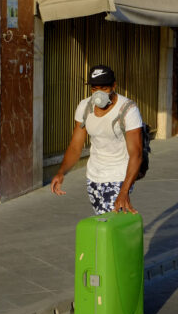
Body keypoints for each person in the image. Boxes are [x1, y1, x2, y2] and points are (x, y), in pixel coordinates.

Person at [50, 65, 143, 214]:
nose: (98, 94)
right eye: (94, 89)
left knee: (108, 223)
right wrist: (61, 173)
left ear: (114, 86)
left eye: (104, 88)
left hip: (118, 175)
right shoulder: (84, 107)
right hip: (94, 175)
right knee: (104, 221)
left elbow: (136, 154)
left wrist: (124, 190)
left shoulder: (128, 110)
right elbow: (75, 146)